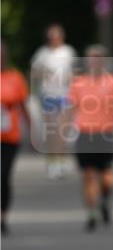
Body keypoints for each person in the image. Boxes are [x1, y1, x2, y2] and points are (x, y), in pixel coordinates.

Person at [68, 45, 113, 231]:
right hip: (85, 133)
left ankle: (105, 200)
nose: (95, 61)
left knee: (107, 176)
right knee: (88, 175)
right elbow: (71, 108)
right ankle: (91, 214)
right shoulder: (78, 83)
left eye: (99, 58)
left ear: (104, 60)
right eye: (92, 58)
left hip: (106, 132)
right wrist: (67, 129)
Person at [30, 24, 76, 179]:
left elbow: (75, 73)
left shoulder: (68, 52)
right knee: (51, 131)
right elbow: (34, 72)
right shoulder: (43, 53)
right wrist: (44, 73)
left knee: (62, 131)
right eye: (51, 36)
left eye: (56, 36)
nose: (54, 39)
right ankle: (52, 162)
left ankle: (61, 161)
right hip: (48, 95)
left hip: (64, 95)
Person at [1, 41, 31, 235]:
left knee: (3, 176)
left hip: (10, 136)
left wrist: (32, 128)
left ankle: (3, 216)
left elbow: (23, 106)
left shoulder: (15, 78)